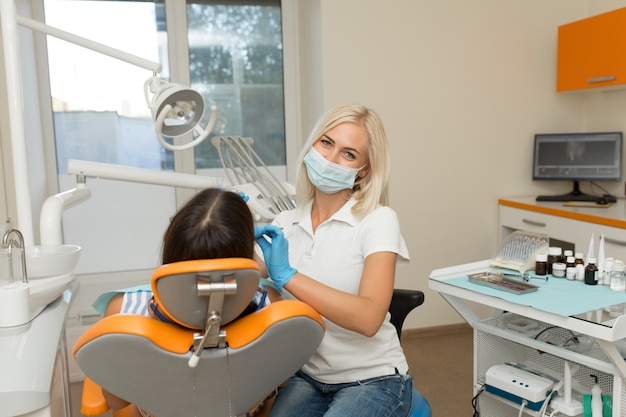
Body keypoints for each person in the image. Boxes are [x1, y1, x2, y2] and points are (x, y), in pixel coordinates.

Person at [255, 104, 413, 417]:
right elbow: (240, 275)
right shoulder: (286, 222)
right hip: (308, 378)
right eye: (326, 143)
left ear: (363, 170)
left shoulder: (378, 220)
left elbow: (368, 319)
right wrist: (225, 222)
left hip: (373, 379)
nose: (330, 157)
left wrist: (288, 275)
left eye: (349, 153)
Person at [91, 188, 280, 416]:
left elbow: (117, 401)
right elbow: (277, 384)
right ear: (249, 252)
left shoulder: (124, 312)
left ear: (168, 240)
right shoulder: (270, 307)